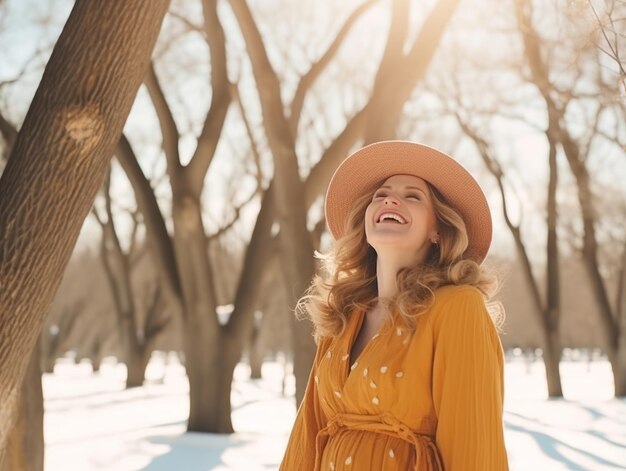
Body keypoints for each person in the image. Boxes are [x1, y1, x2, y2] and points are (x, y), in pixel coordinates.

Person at [279, 141, 509, 470]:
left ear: (437, 230)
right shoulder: (344, 314)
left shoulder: (458, 307)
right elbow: (307, 435)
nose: (390, 199)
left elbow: (474, 447)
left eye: (412, 196)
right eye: (380, 194)